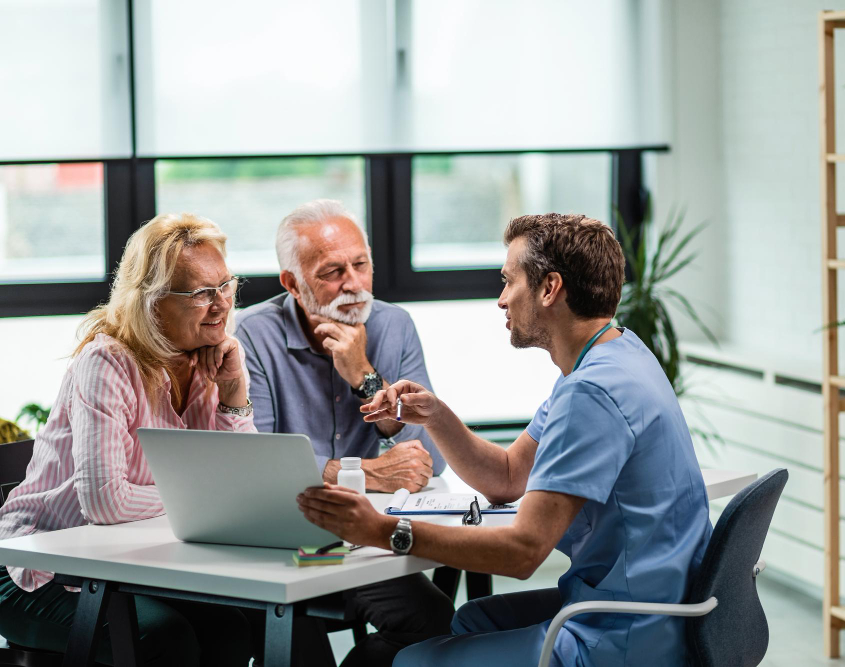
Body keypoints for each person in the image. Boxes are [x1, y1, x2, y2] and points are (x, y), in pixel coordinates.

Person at [297, 213, 713, 666]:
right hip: (652, 604)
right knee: (469, 620)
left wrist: (382, 530)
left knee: (410, 661)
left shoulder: (591, 393)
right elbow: (508, 476)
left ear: (549, 288)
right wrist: (436, 416)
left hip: (626, 632)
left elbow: (522, 553)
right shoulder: (614, 354)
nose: (500, 300)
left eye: (508, 281)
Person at [0, 213, 254, 667]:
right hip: (34, 573)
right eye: (202, 292)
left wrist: (233, 395)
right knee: (165, 639)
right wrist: (202, 499)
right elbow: (105, 503)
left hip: (128, 568)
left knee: (234, 628)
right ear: (152, 301)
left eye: (226, 285)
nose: (222, 304)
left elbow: (240, 486)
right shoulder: (106, 362)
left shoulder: (212, 356)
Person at [235, 199, 454, 667]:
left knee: (434, 617)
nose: (353, 285)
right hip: (288, 543)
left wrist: (365, 377)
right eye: (333, 271)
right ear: (292, 284)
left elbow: (431, 455)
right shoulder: (252, 335)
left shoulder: (394, 326)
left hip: (362, 540)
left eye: (361, 265)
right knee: (291, 621)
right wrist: (365, 473)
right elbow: (258, 463)